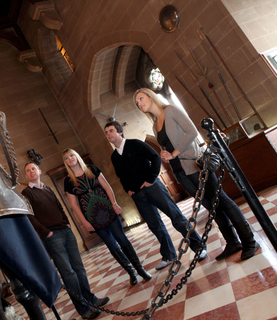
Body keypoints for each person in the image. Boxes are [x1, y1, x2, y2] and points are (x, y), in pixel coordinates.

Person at [134, 88, 260, 261]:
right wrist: (166, 154)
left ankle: (250, 242)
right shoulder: (155, 125)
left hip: (194, 164)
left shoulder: (170, 110)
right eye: (136, 102)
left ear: (150, 96)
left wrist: (175, 153)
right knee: (211, 206)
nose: (139, 103)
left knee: (221, 199)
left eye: (141, 98)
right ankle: (233, 243)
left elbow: (191, 132)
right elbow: (168, 146)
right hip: (180, 172)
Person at [104, 122, 207, 270]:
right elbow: (120, 176)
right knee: (155, 225)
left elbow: (155, 158)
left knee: (176, 216)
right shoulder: (114, 156)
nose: (109, 134)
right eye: (106, 132)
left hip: (153, 188)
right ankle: (169, 255)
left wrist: (150, 179)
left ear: (120, 132)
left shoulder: (135, 144)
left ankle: (198, 247)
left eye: (111, 130)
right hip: (138, 196)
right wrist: (129, 190)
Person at [22, 161, 109, 320]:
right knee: (68, 274)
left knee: (79, 268)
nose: (31, 172)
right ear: (26, 175)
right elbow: (29, 216)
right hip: (52, 236)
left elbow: (60, 207)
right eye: (28, 171)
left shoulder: (48, 188)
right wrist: (46, 232)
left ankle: (90, 299)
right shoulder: (26, 193)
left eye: (33, 168)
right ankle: (83, 309)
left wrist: (67, 223)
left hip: (65, 231)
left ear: (39, 171)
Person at [61, 149, 152, 283]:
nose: (70, 159)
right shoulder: (68, 181)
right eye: (67, 158)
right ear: (66, 163)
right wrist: (84, 222)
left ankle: (140, 269)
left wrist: (114, 203)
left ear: (77, 156)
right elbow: (74, 205)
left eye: (72, 155)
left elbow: (107, 186)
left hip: (108, 209)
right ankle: (131, 272)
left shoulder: (91, 169)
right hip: (92, 216)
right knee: (111, 244)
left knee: (121, 238)